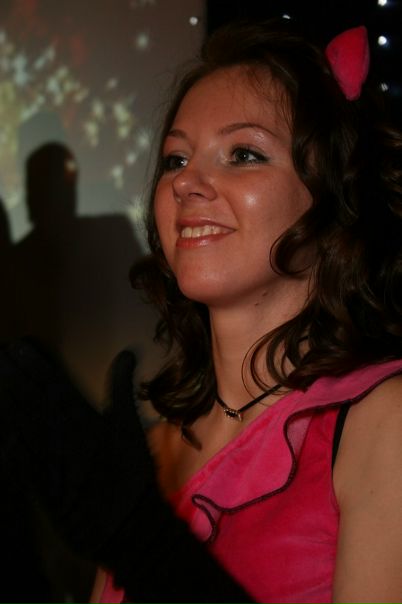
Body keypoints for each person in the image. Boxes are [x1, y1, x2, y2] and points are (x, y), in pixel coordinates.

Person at [1, 17, 402, 604]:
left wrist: (147, 548)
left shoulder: (382, 425)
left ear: (336, 198)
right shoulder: (151, 458)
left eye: (243, 153)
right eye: (175, 160)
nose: (188, 183)